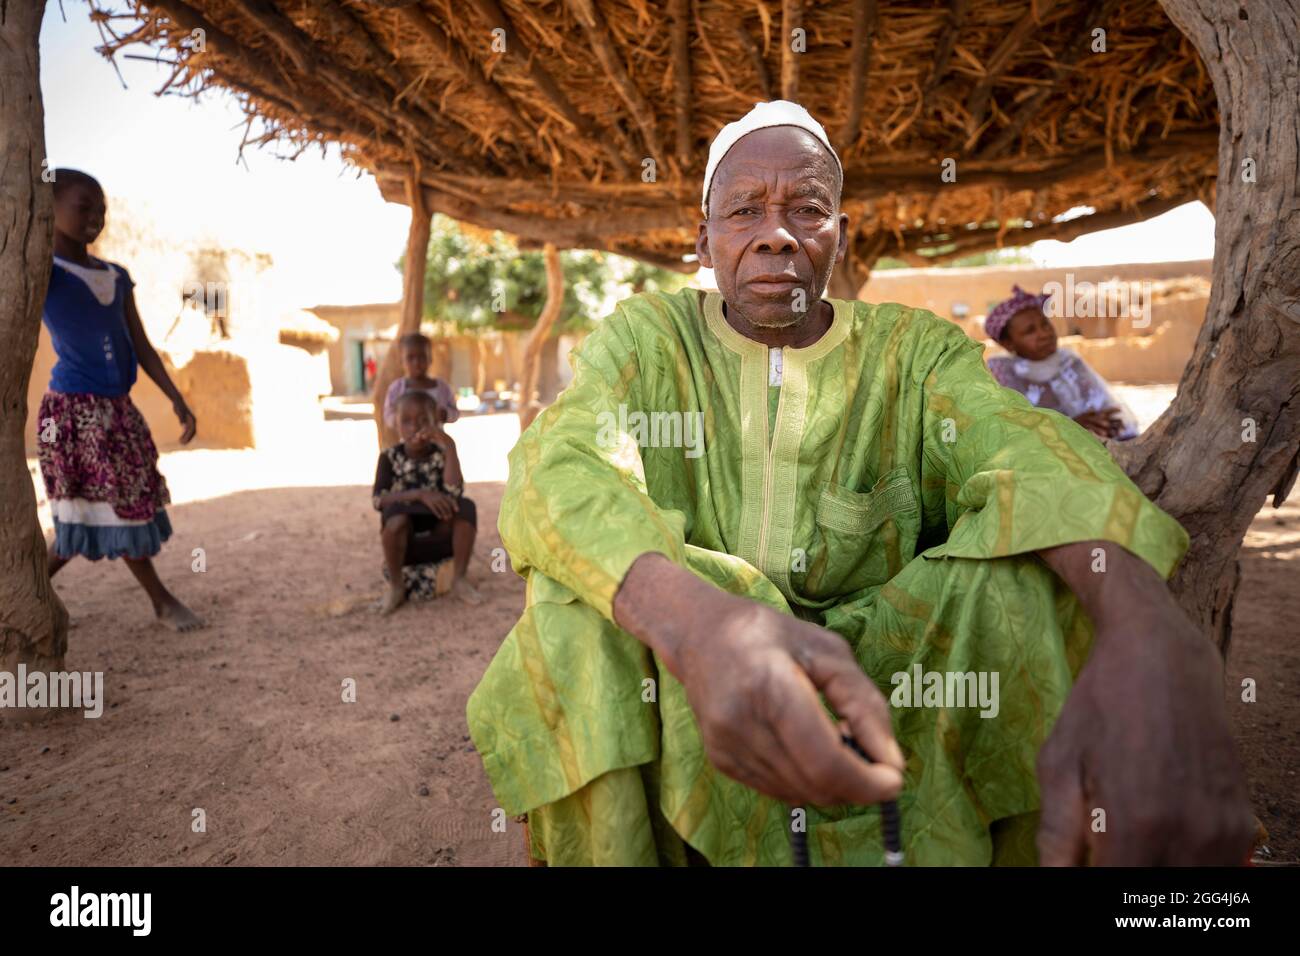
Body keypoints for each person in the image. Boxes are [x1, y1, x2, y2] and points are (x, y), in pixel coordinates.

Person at [466, 102, 1253, 867]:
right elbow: (562, 464)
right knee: (574, 611)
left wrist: (1150, 629)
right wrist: (699, 625)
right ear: (703, 241)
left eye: (806, 208)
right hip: (689, 676)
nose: (775, 235)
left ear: (840, 236)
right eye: (743, 211)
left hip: (888, 678)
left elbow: (1023, 451)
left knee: (1026, 586)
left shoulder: (912, 350)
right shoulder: (648, 338)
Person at [37, 169, 203, 632]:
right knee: (83, 513)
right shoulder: (44, 273)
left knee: (124, 503)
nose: (96, 217)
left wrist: (177, 399)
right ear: (49, 210)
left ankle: (27, 594)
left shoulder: (117, 277)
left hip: (117, 412)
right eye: (83, 206)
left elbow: (142, 345)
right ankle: (161, 601)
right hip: (68, 414)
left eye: (102, 209)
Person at [372, 390, 481, 613]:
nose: (415, 427)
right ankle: (396, 586)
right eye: (407, 421)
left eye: (424, 420)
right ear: (396, 424)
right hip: (407, 545)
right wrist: (420, 495)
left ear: (436, 422)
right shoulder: (389, 457)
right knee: (395, 518)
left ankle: (459, 579)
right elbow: (378, 499)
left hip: (441, 540)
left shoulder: (441, 453)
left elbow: (454, 489)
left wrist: (449, 445)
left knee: (466, 507)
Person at [984, 286, 1139, 440]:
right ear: (1008, 343)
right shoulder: (1002, 372)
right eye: (1030, 331)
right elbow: (1016, 431)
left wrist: (1106, 423)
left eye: (1045, 324)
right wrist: (1070, 427)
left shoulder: (1069, 361)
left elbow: (1103, 404)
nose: (1044, 333)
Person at [382, 332, 459, 431]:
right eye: (410, 358)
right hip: (410, 443)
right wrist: (397, 419)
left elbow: (455, 413)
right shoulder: (396, 388)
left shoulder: (442, 387)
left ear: (430, 359)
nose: (416, 362)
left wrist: (445, 414)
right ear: (401, 361)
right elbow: (388, 414)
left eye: (422, 357)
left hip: (437, 442)